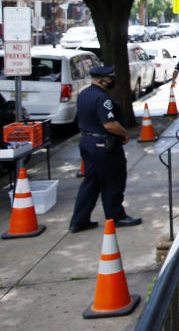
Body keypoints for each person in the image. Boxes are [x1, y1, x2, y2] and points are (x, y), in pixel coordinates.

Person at [69, 66, 142, 233]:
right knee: (113, 181)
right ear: (102, 80)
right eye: (110, 78)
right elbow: (109, 124)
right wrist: (124, 133)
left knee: (91, 182)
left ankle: (79, 220)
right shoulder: (103, 99)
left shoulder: (84, 94)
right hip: (104, 146)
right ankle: (117, 216)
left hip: (88, 142)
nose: (112, 81)